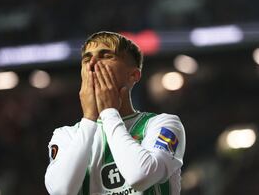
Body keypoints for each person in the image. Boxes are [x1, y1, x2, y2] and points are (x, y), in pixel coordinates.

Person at [44, 31, 186, 195]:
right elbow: (62, 191)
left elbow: (141, 176)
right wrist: (89, 120)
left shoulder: (163, 124)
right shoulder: (66, 135)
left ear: (133, 75)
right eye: (87, 58)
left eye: (106, 56)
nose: (93, 64)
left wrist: (109, 112)